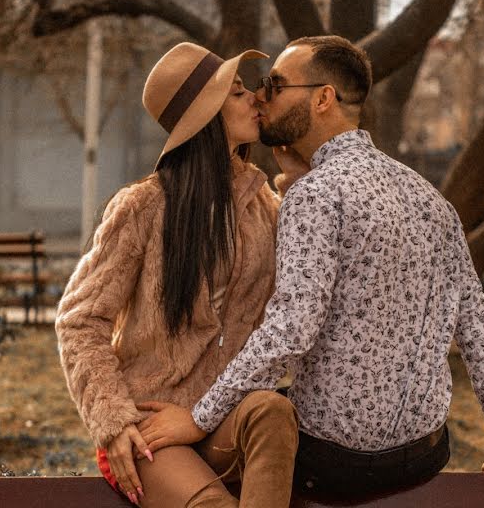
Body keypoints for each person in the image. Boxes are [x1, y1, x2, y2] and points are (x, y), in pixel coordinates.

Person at [137, 35, 484, 497]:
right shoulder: (431, 200)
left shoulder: (316, 195)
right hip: (424, 454)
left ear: (322, 98)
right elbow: (478, 329)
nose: (261, 97)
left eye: (275, 85)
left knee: (248, 423)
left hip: (334, 462)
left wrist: (198, 417)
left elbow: (292, 328)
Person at [56, 42, 307, 508]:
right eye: (236, 93)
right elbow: (80, 320)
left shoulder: (267, 210)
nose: (254, 97)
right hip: (150, 428)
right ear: (207, 115)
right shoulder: (142, 207)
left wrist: (295, 174)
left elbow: (296, 315)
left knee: (272, 409)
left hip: (224, 419)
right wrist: (113, 421)